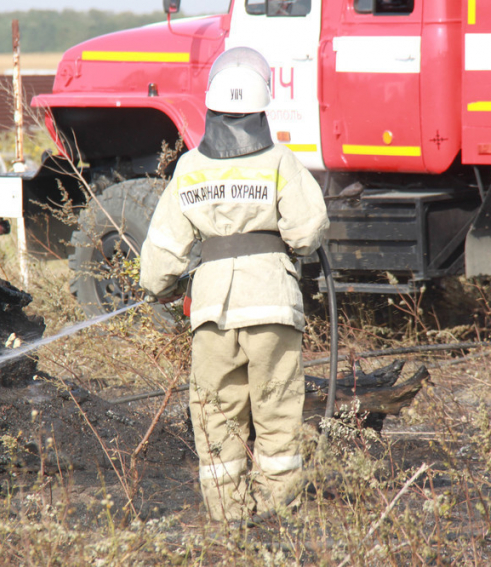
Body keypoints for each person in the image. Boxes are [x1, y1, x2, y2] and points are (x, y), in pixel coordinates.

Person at [139, 46, 329, 524]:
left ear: (212, 107)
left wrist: (161, 288)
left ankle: (229, 519)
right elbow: (308, 232)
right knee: (277, 410)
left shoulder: (189, 168)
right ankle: (277, 516)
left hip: (211, 311)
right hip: (272, 304)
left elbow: (161, 255)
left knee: (216, 414)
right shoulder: (280, 162)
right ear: (262, 107)